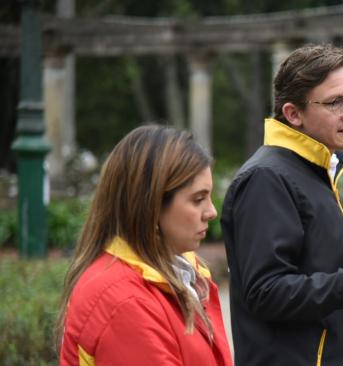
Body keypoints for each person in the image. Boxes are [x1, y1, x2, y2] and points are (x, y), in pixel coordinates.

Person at [220, 44, 343, 366]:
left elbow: (314, 268)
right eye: (335, 102)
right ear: (293, 114)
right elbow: (266, 292)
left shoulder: (317, 167)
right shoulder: (266, 178)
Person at [56, 125, 233, 366]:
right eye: (198, 199)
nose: (211, 212)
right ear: (152, 205)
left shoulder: (179, 273)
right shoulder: (125, 303)